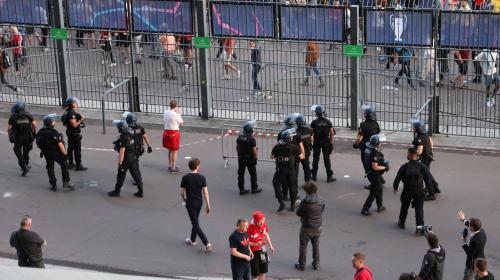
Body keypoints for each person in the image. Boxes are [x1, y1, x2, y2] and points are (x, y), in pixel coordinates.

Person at [393, 148, 434, 235]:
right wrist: (431, 192)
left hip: (407, 190)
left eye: (407, 153)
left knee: (404, 206)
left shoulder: (404, 167)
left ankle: (401, 222)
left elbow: (398, 178)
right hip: (419, 191)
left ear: (410, 155)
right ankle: (419, 229)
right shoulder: (422, 167)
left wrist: (395, 187)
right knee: (419, 210)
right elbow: (428, 179)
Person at [35, 114, 75, 191]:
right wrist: (65, 154)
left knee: (50, 168)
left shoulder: (40, 132)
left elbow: (38, 143)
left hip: (46, 153)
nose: (54, 122)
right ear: (50, 123)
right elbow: (60, 145)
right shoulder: (54, 132)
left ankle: (53, 184)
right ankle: (66, 182)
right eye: (53, 121)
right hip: (57, 153)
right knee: (64, 165)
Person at [180, 158, 212, 252]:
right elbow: (205, 192)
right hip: (199, 202)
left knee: (195, 223)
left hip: (190, 203)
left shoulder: (185, 177)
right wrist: (208, 204)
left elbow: (181, 192)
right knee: (196, 221)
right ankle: (192, 240)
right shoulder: (202, 177)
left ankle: (207, 243)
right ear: (197, 166)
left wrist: (184, 199)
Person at [107, 120, 144, 198]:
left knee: (121, 174)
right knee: (136, 174)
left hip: (126, 158)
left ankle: (117, 191)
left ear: (121, 128)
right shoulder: (133, 132)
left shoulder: (123, 136)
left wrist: (120, 163)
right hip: (134, 156)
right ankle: (141, 191)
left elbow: (122, 151)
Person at [271, 129, 304, 212]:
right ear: (289, 139)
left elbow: (272, 156)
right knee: (292, 186)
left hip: (281, 170)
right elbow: (301, 157)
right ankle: (293, 205)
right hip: (291, 170)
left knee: (276, 184)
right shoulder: (294, 147)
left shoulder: (277, 147)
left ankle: (281, 201)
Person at [295, 182, 325, 271]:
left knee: (303, 246)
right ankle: (316, 264)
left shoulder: (305, 202)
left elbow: (299, 213)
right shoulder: (321, 200)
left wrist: (297, 204)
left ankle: (302, 265)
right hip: (318, 226)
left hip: (306, 227)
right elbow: (322, 209)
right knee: (316, 246)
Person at [412, 120, 440, 200]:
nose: (413, 129)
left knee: (425, 176)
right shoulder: (425, 134)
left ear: (418, 129)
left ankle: (431, 194)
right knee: (427, 172)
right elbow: (431, 142)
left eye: (414, 127)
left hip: (425, 158)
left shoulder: (419, 138)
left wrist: (413, 154)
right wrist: (430, 150)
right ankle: (435, 186)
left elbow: (419, 151)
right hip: (429, 156)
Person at [361, 135, 388, 216]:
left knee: (379, 189)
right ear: (377, 143)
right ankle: (365, 209)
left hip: (370, 173)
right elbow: (375, 167)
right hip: (374, 174)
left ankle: (380, 206)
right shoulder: (374, 153)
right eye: (380, 142)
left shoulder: (368, 149)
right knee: (373, 192)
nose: (381, 144)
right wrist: (385, 167)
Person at [8, 101, 37, 176]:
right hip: (28, 136)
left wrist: (10, 135)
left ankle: (23, 166)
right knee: (26, 151)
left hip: (18, 137)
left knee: (17, 151)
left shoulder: (13, 117)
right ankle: (26, 164)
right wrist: (33, 132)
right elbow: (34, 124)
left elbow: (9, 128)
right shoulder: (28, 115)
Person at [457, 211, 487, 280]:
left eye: (470, 225)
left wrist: (464, 240)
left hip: (473, 264)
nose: (469, 226)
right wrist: (463, 219)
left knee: (468, 276)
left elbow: (469, 254)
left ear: (472, 228)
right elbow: (472, 225)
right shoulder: (482, 231)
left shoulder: (474, 240)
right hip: (481, 258)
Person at [353, 105, 380, 180]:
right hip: (374, 147)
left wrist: (355, 144)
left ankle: (373, 182)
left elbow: (359, 138)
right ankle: (380, 179)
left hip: (366, 148)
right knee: (374, 164)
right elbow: (378, 136)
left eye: (365, 113)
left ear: (367, 115)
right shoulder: (376, 124)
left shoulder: (363, 125)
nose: (364, 114)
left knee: (367, 166)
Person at [310, 105, 335, 183]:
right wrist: (331, 142)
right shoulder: (328, 122)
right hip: (326, 142)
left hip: (317, 142)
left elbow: (311, 134)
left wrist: (312, 143)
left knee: (316, 159)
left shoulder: (314, 122)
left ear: (316, 113)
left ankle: (314, 175)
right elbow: (331, 133)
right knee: (326, 159)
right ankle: (329, 176)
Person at [248, 211, 274, 280]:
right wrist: (256, 244)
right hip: (253, 252)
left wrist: (270, 245)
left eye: (263, 220)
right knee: (255, 274)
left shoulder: (263, 225)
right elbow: (246, 242)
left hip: (262, 250)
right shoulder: (249, 227)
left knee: (263, 271)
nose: (262, 223)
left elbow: (265, 234)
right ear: (255, 221)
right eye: (260, 221)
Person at [62, 97, 87, 171]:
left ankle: (70, 164)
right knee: (77, 150)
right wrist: (81, 119)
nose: (76, 104)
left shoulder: (67, 111)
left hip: (70, 132)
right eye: (75, 102)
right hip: (74, 133)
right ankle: (78, 165)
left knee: (70, 148)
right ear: (71, 104)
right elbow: (74, 124)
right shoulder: (71, 113)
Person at [236, 120, 261, 195]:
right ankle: (254, 188)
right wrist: (255, 158)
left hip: (241, 158)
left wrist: (239, 154)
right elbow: (254, 150)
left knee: (241, 174)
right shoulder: (251, 139)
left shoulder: (240, 137)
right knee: (253, 174)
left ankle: (241, 189)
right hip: (249, 158)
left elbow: (237, 147)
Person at [163, 100, 184, 173]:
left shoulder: (165, 112)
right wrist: (179, 113)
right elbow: (181, 123)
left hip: (166, 132)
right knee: (175, 151)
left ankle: (170, 165)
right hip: (174, 133)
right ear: (176, 106)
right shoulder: (176, 115)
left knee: (169, 150)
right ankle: (173, 167)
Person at [295, 115, 312, 183]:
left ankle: (294, 184)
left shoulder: (295, 131)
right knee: (306, 167)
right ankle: (307, 182)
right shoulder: (308, 130)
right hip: (306, 152)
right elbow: (311, 139)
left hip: (297, 152)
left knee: (295, 168)